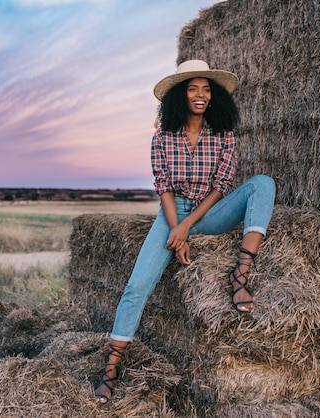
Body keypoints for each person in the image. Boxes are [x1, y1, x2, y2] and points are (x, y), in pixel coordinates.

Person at [94, 60, 276, 404]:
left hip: (209, 211)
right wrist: (175, 228)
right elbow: (163, 187)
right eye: (193, 88)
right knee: (137, 286)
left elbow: (221, 187)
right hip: (172, 209)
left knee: (263, 184)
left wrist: (187, 228)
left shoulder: (224, 136)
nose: (200, 95)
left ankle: (241, 274)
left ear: (214, 95)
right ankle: (111, 368)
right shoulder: (162, 137)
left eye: (206, 89)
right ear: (180, 95)